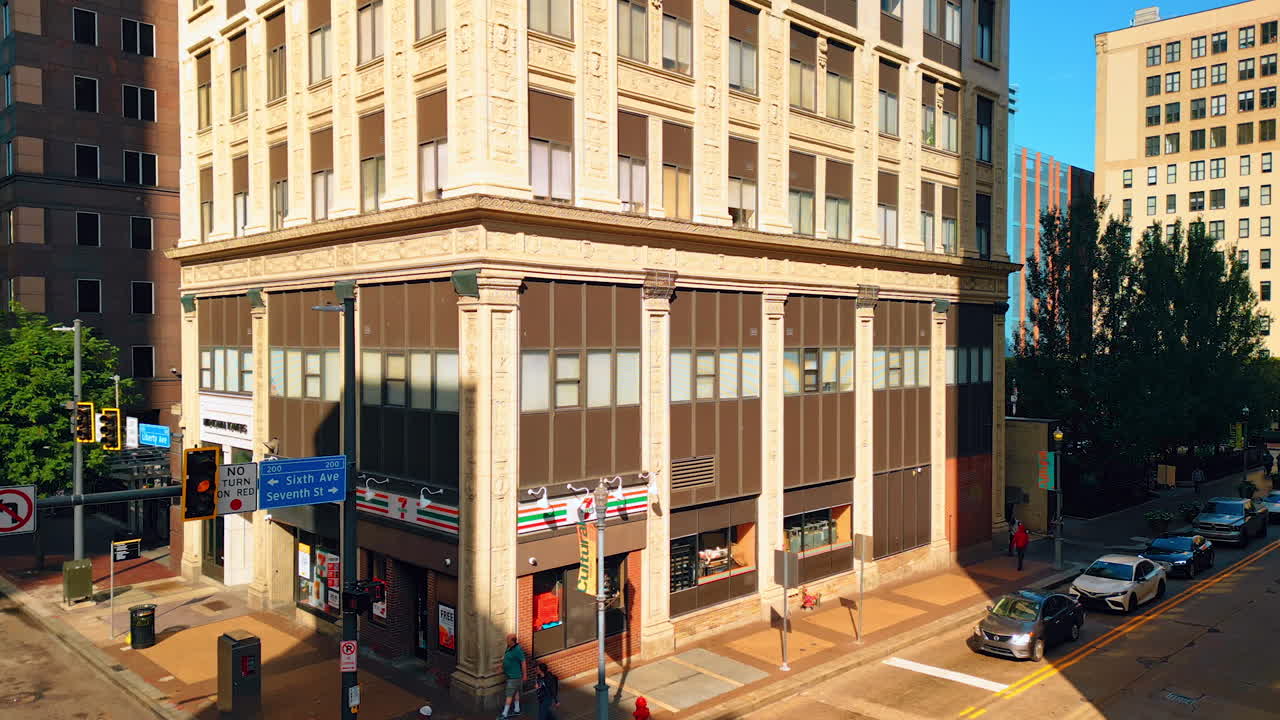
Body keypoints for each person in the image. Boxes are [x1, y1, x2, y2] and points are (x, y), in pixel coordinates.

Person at [500, 633, 526, 718]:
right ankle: (517, 709)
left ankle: (504, 714)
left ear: (512, 641)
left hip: (514, 677)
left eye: (508, 639)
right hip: (512, 676)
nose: (506, 641)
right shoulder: (509, 647)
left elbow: (523, 662)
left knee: (509, 695)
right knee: (516, 693)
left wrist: (525, 675)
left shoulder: (518, 650)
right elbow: (507, 658)